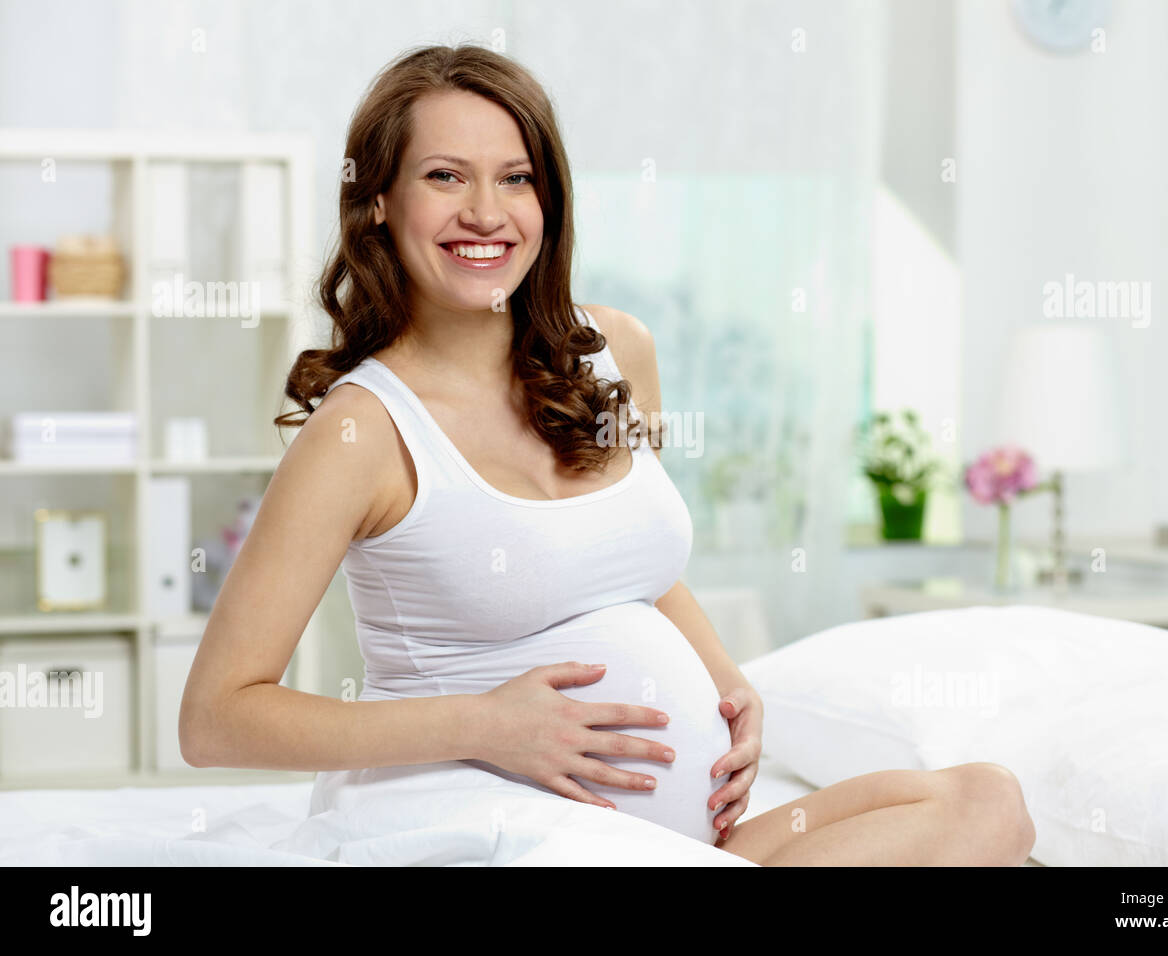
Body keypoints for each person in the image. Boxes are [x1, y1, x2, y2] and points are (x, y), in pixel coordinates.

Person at [179, 43, 1035, 866]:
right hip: (480, 825)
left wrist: (728, 683)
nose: (486, 211)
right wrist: (484, 724)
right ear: (377, 202)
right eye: (446, 177)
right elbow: (216, 718)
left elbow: (637, 571)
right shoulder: (362, 430)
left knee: (989, 805)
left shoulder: (614, 351)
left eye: (516, 177)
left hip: (670, 840)